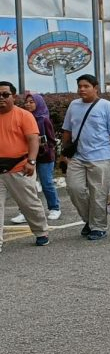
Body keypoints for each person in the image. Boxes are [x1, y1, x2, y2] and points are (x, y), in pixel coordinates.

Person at [60, 74, 110, 241]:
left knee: (98, 193)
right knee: (74, 188)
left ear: (96, 88)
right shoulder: (73, 106)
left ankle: (98, 227)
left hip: (101, 157)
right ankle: (89, 220)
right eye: (79, 86)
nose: (82, 89)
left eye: (86, 86)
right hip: (77, 157)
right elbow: (67, 131)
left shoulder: (106, 106)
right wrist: (63, 155)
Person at [0, 82, 51, 250]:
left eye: (5, 95)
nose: (1, 98)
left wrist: (31, 161)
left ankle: (41, 232)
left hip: (20, 166)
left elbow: (33, 140)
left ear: (13, 97)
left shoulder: (23, 115)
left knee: (29, 203)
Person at [9, 93, 62, 225]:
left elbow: (51, 141)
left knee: (46, 183)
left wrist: (41, 144)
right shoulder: (22, 117)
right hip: (26, 157)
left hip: (44, 156)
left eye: (32, 102)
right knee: (26, 186)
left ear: (39, 103)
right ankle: (24, 212)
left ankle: (54, 208)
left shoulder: (44, 120)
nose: (28, 104)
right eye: (27, 102)